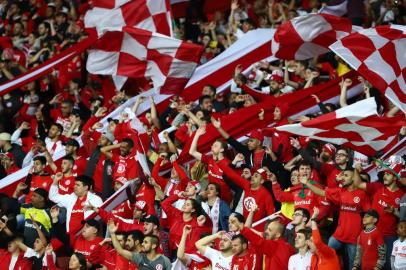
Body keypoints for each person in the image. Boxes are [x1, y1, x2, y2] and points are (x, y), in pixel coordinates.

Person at [300, 169, 371, 269]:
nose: (343, 177)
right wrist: (307, 183)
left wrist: (365, 233)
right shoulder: (340, 191)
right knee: (325, 255)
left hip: (355, 238)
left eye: (346, 175)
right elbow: (321, 192)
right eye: (342, 175)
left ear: (354, 178)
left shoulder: (362, 194)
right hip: (338, 235)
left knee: (354, 266)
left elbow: (370, 214)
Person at [107, 219, 172, 270]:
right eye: (143, 242)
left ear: (153, 246)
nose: (142, 244)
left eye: (146, 242)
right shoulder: (139, 257)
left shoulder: (165, 261)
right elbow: (120, 250)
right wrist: (112, 233)